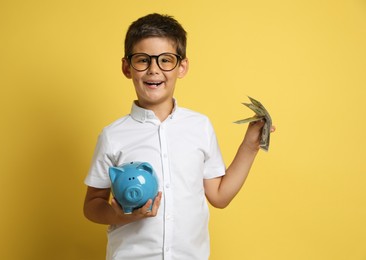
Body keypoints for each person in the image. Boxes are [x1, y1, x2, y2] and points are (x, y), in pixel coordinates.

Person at [83, 13, 275, 260]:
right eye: (143, 60)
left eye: (166, 60)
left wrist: (250, 146)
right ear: (126, 67)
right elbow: (92, 206)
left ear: (181, 67)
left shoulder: (199, 126)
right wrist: (121, 215)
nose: (154, 70)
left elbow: (219, 196)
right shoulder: (113, 136)